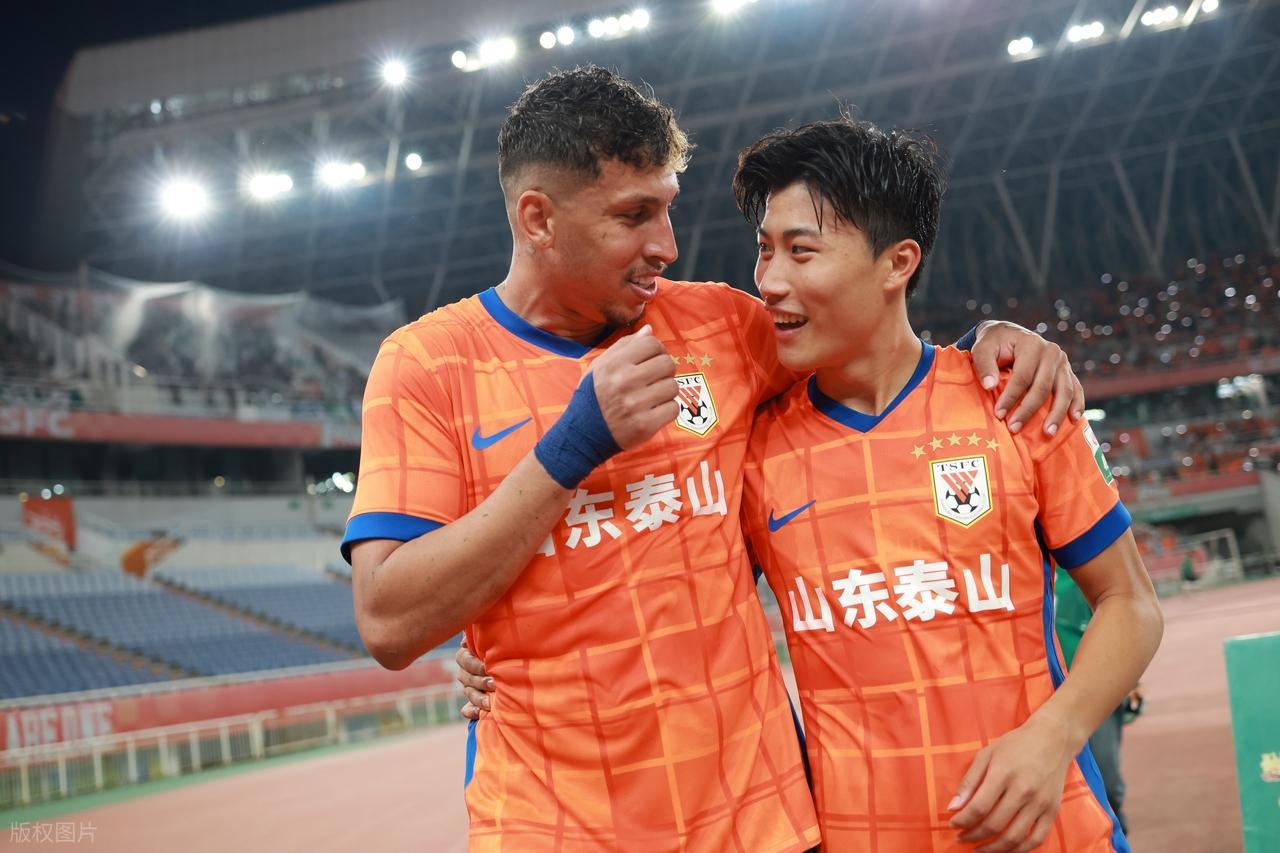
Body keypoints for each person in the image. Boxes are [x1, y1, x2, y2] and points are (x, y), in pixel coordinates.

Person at [348, 67, 1084, 851]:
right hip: (552, 825)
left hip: (758, 821)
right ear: (538, 218)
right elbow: (388, 619)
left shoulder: (721, 326)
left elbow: (872, 350)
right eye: (633, 216)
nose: (665, 246)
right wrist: (571, 448)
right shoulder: (429, 365)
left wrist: (992, 345)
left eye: (666, 209)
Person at [725, 116, 1163, 852]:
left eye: (801, 250)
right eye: (764, 249)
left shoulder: (1016, 400)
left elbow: (1132, 603)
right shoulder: (753, 451)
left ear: (897, 262)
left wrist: (1053, 736)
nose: (769, 281)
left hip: (1048, 832)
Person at [1055, 566, 1144, 836]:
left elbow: (1120, 620)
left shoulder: (1082, 567)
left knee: (1107, 780)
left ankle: (1115, 836)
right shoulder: (1020, 571)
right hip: (1042, 695)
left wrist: (1132, 681)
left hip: (1093, 690)